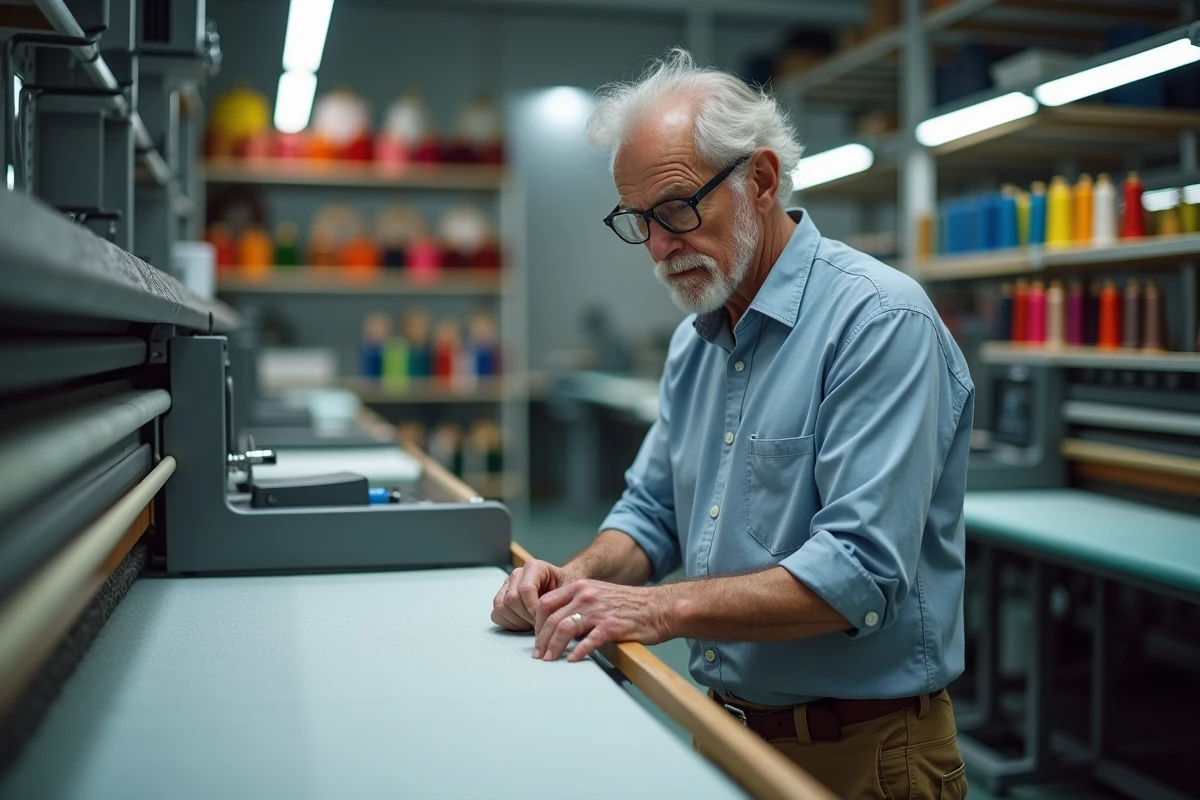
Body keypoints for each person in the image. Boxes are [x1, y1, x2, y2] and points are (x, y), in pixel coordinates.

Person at [490, 48, 973, 799]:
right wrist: (572, 582)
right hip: (723, 732)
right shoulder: (697, 340)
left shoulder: (878, 321)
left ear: (761, 179)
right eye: (639, 221)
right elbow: (652, 516)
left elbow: (860, 572)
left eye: (679, 209)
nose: (658, 246)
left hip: (864, 755)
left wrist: (656, 609)